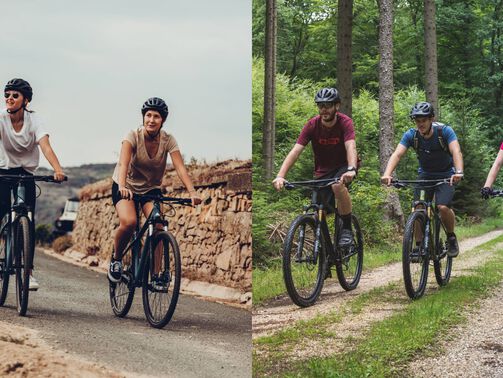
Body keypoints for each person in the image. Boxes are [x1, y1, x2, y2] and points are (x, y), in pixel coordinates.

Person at [108, 97, 201, 283]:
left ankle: (157, 274)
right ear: (143, 118)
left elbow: (180, 168)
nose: (151, 120)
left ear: (163, 120)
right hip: (126, 185)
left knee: (159, 225)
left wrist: (192, 192)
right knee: (129, 222)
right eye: (148, 115)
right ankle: (116, 260)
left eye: (156, 116)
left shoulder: (168, 140)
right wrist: (123, 186)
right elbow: (123, 163)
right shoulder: (132, 136)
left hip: (151, 189)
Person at [1, 78, 66, 290]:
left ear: (26, 100)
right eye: (7, 94)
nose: (10, 98)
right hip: (3, 169)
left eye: (15, 95)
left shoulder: (35, 121)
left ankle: (27, 273)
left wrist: (57, 169)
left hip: (26, 172)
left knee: (27, 220)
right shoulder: (1, 118)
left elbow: (45, 146)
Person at [272, 87, 358, 246]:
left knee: (337, 186)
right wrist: (280, 175)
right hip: (322, 172)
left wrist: (351, 168)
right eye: (320, 106)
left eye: (328, 105)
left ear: (336, 106)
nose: (324, 109)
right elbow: (295, 151)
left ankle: (346, 228)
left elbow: (350, 146)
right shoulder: (312, 125)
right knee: (318, 213)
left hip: (343, 167)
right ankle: (326, 255)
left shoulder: (345, 122)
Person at [381, 101, 464, 257]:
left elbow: (456, 151)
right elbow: (397, 154)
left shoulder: (444, 132)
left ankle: (451, 237)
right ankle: (419, 246)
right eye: (417, 121)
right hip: (425, 175)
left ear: (431, 119)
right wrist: (387, 173)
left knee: (443, 207)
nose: (420, 124)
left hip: (446, 175)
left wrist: (458, 171)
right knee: (418, 206)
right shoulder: (411, 135)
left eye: (424, 120)